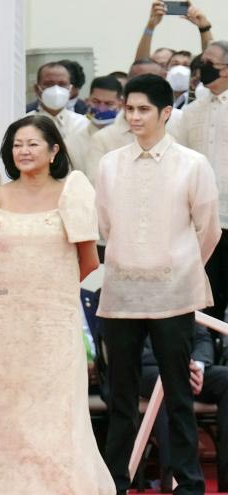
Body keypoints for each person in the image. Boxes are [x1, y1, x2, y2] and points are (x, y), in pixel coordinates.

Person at [0, 114, 113, 494]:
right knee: (4, 408)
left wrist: (50, 289)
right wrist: (21, 285)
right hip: (5, 321)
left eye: (32, 144)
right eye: (17, 145)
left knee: (55, 408)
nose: (24, 151)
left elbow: (88, 259)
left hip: (54, 320)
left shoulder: (72, 189)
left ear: (54, 149)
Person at [97, 74, 221, 495]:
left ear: (167, 112)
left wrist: (180, 267)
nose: (133, 116)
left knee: (178, 395)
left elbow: (209, 230)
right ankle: (115, 482)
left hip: (174, 294)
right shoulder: (109, 163)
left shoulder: (192, 163)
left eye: (143, 109)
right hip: (120, 293)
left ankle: (189, 485)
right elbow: (104, 225)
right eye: (128, 109)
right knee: (121, 398)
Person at [171, 41, 228, 324]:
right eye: (201, 62)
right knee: (207, 303)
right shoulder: (192, 111)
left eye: (210, 63)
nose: (202, 68)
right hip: (202, 224)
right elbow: (180, 161)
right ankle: (206, 361)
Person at [140, 324, 228, 492]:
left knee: (226, 379)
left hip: (190, 365)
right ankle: (174, 480)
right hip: (149, 368)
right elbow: (129, 348)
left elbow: (202, 338)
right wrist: (177, 365)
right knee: (168, 383)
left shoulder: (184, 296)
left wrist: (197, 366)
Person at [66, 75, 123, 175]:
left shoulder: (131, 137)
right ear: (88, 101)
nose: (101, 108)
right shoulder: (72, 142)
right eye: (96, 102)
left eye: (108, 103)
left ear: (120, 104)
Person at [134, 1, 213, 68]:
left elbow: (211, 62)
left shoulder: (195, 82)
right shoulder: (153, 83)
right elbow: (141, 65)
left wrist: (204, 28)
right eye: (160, 65)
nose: (179, 68)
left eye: (185, 65)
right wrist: (150, 26)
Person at [27, 61, 89, 138]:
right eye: (49, 84)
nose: (56, 89)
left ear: (70, 89)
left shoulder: (82, 124)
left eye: (62, 84)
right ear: (37, 89)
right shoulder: (25, 123)